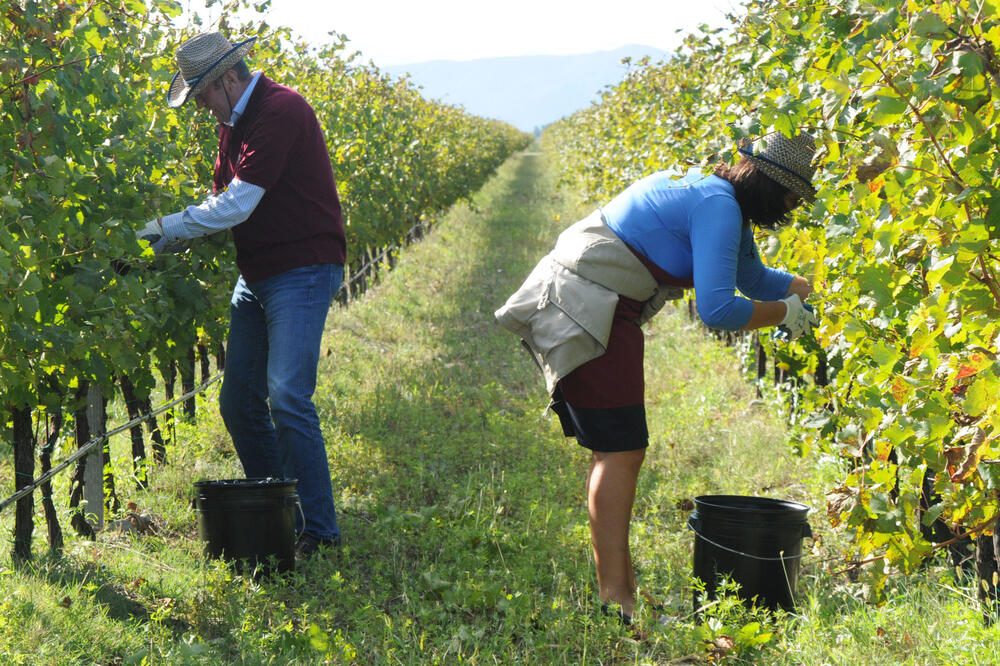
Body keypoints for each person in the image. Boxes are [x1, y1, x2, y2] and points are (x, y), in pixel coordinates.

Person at [495, 132, 819, 624]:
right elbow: (717, 309)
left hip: (599, 301)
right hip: (587, 304)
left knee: (617, 450)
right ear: (772, 186)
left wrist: (809, 290)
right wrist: (783, 314)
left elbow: (751, 276)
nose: (790, 211)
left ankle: (621, 593)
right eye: (793, 198)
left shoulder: (715, 192)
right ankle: (616, 600)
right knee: (619, 451)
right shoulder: (718, 206)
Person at [138, 32, 348, 557]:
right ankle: (282, 515)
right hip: (258, 275)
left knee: (288, 396)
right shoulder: (233, 124)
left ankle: (319, 531)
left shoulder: (280, 110)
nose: (201, 107)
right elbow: (220, 200)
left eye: (203, 94)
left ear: (229, 79)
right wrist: (156, 244)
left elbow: (236, 204)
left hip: (302, 268)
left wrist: (163, 226)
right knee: (238, 403)